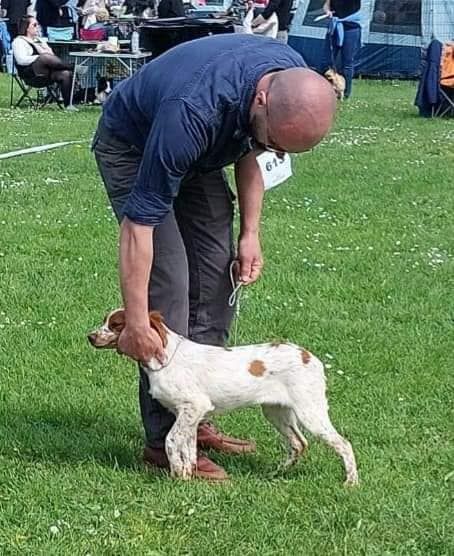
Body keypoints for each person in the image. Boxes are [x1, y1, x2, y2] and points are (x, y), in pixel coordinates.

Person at [92, 33, 336, 481]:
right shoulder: (192, 110)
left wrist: (251, 233)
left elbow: (251, 151)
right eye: (274, 141)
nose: (277, 152)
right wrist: (140, 323)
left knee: (216, 272)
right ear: (261, 100)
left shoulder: (289, 74)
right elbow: (138, 227)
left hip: (202, 148)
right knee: (170, 284)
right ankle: (166, 443)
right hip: (134, 144)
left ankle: (195, 413)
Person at [12, 16, 76, 110]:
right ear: (26, 28)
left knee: (66, 74)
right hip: (30, 74)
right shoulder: (18, 41)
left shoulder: (40, 40)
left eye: (37, 24)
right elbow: (21, 60)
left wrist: (44, 47)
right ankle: (72, 66)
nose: (37, 27)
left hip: (47, 73)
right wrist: (39, 57)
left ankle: (68, 105)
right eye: (34, 25)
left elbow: (52, 57)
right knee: (43, 57)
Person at [321, 0, 362, 99]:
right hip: (335, 25)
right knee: (327, 61)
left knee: (347, 62)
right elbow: (326, 4)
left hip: (351, 27)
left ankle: (346, 93)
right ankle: (324, 90)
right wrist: (327, 11)